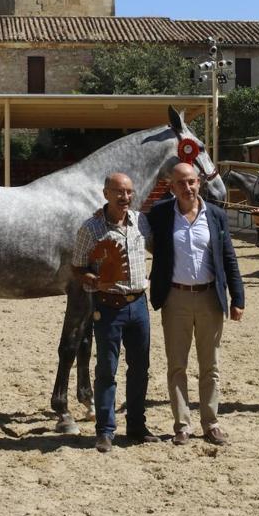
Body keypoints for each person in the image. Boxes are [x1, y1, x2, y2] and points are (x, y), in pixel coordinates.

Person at [146, 162, 245, 446]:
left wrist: (238, 297)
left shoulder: (216, 215)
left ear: (199, 182)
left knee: (210, 365)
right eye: (181, 183)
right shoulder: (161, 214)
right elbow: (131, 223)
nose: (187, 187)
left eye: (191, 181)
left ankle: (210, 422)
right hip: (174, 297)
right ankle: (182, 425)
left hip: (209, 298)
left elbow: (229, 258)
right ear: (172, 187)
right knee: (177, 365)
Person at [71, 172, 158, 453]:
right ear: (106, 193)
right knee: (107, 370)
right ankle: (105, 430)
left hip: (138, 305)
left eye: (130, 192)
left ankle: (136, 426)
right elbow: (77, 266)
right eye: (119, 192)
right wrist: (91, 280)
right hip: (108, 306)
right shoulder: (91, 228)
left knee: (140, 369)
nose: (125, 197)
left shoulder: (140, 222)